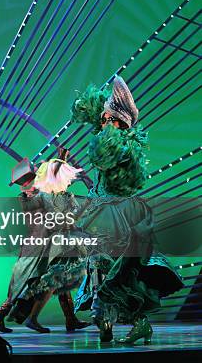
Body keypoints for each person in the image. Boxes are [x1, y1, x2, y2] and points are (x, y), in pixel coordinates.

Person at [71, 76, 183, 343]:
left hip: (118, 214)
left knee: (118, 271)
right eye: (102, 119)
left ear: (117, 122)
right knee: (98, 268)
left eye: (107, 118)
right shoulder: (108, 139)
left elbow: (110, 163)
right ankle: (106, 321)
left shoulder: (123, 146)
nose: (102, 122)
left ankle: (133, 321)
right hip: (101, 211)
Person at [0, 151, 90, 334]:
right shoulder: (42, 195)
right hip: (41, 247)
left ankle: (70, 319)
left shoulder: (27, 197)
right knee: (28, 284)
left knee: (55, 278)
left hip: (38, 245)